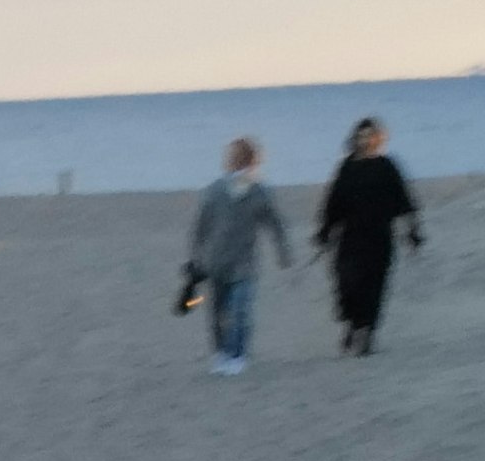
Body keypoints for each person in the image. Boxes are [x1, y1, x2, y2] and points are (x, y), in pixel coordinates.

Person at [177, 138, 292, 374]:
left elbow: (275, 223)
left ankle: (237, 355)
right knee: (218, 314)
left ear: (252, 161)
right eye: (235, 158)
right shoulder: (215, 190)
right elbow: (200, 227)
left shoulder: (260, 192)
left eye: (244, 159)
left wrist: (283, 252)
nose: (239, 163)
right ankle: (222, 354)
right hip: (215, 263)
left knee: (240, 310)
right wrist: (194, 258)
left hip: (245, 265)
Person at [317, 116, 422, 354]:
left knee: (374, 288)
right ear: (355, 138)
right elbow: (333, 201)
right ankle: (352, 325)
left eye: (369, 136)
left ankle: (366, 334)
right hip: (350, 238)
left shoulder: (387, 166)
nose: (364, 140)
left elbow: (404, 200)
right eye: (361, 136)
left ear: (378, 139)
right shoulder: (346, 167)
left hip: (379, 239)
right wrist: (324, 230)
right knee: (346, 284)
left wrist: (413, 230)